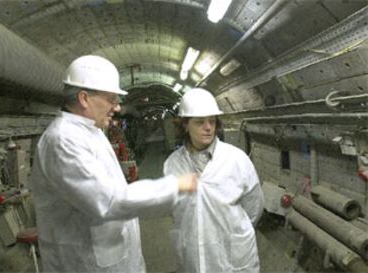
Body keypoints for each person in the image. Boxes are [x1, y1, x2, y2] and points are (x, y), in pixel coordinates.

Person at [30, 55, 197, 273]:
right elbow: (108, 201)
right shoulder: (63, 141)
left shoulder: (91, 131)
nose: (117, 108)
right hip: (85, 264)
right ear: (83, 98)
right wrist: (175, 185)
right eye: (111, 99)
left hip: (115, 259)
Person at [163, 88, 264, 273]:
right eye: (200, 122)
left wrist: (232, 230)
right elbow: (175, 210)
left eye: (212, 121)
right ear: (185, 125)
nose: (208, 127)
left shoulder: (236, 159)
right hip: (193, 252)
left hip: (233, 255)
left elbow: (254, 206)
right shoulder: (172, 165)